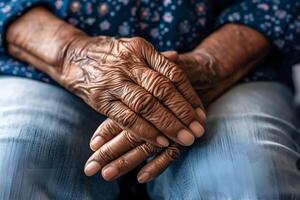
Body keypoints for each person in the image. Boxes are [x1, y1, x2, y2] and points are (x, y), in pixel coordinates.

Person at [0, 0, 299, 199]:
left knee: (253, 175)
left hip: (232, 62)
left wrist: (209, 66)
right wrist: (70, 54)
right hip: (42, 63)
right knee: (12, 165)